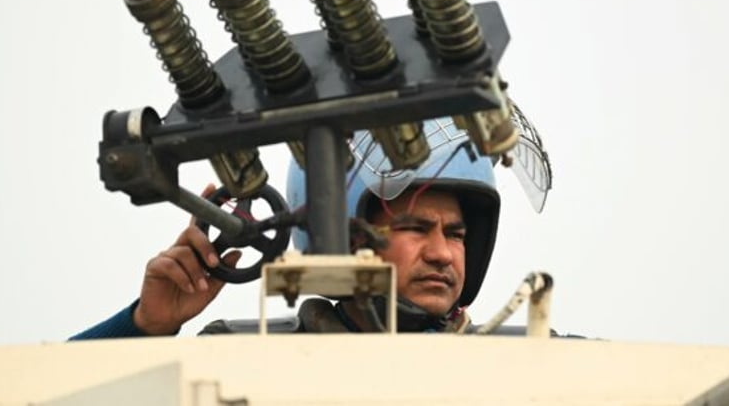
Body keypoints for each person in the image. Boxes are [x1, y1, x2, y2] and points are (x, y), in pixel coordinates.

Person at [70, 118, 501, 338]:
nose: (443, 253)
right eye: (415, 228)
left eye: (456, 234)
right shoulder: (242, 363)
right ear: (343, 236)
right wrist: (147, 325)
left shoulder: (529, 364)